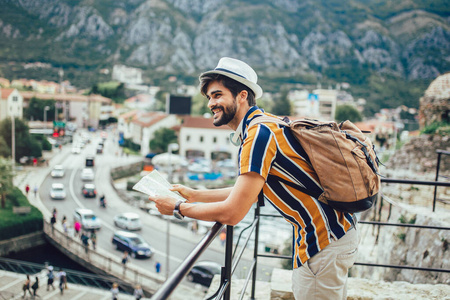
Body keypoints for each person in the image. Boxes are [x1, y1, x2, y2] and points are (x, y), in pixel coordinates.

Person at [148, 57, 359, 300]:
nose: (211, 103)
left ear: (242, 95)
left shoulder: (257, 135)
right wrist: (195, 195)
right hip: (334, 235)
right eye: (209, 97)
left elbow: (233, 213)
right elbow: (250, 190)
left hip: (323, 243)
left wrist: (177, 208)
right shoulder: (265, 125)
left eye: (217, 95)